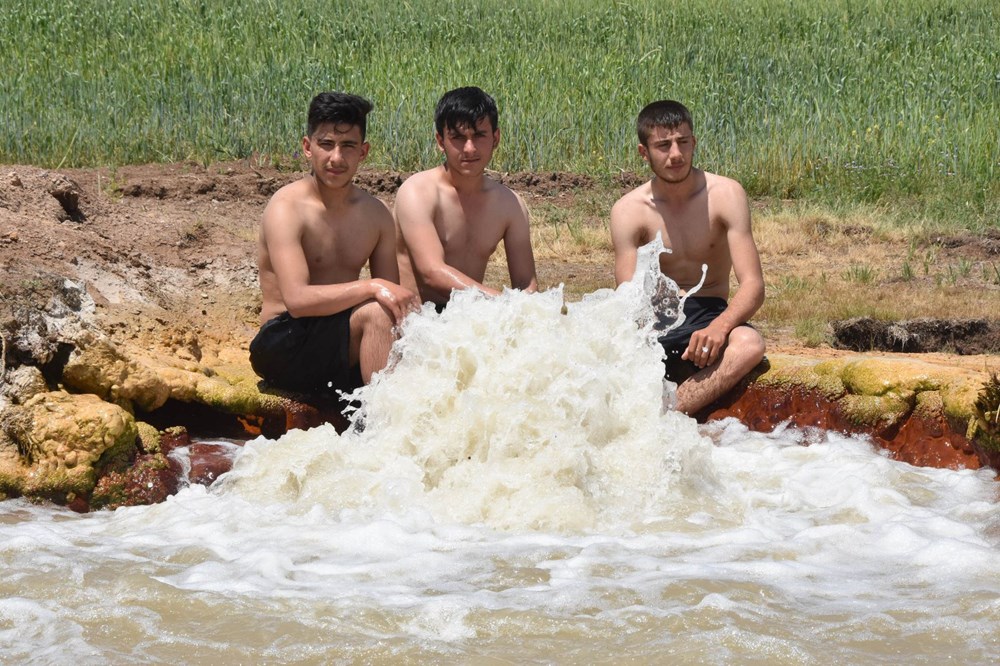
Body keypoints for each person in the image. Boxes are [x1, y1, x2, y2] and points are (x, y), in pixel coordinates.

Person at [250, 92, 418, 396]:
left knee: (392, 318)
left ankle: (390, 426)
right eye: (326, 145)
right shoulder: (286, 208)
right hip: (283, 341)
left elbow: (389, 302)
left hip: (339, 335)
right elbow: (298, 301)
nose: (336, 158)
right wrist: (371, 286)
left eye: (348, 146)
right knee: (377, 309)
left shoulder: (376, 214)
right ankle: (379, 428)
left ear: (363, 151)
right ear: (307, 147)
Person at [610, 100, 766, 416]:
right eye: (663, 145)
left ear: (694, 142)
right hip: (656, 316)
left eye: (683, 142)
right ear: (644, 152)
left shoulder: (725, 194)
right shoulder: (629, 210)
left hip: (709, 309)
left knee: (750, 345)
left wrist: (720, 328)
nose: (676, 154)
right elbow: (627, 296)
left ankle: (669, 418)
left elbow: (753, 285)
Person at [394, 86, 537, 308]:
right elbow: (432, 272)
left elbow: (525, 284)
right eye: (458, 138)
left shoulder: (510, 204)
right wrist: (501, 302)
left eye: (479, 136)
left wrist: (527, 311)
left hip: (468, 320)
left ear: (495, 138)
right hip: (416, 321)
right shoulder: (417, 192)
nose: (469, 149)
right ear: (441, 141)